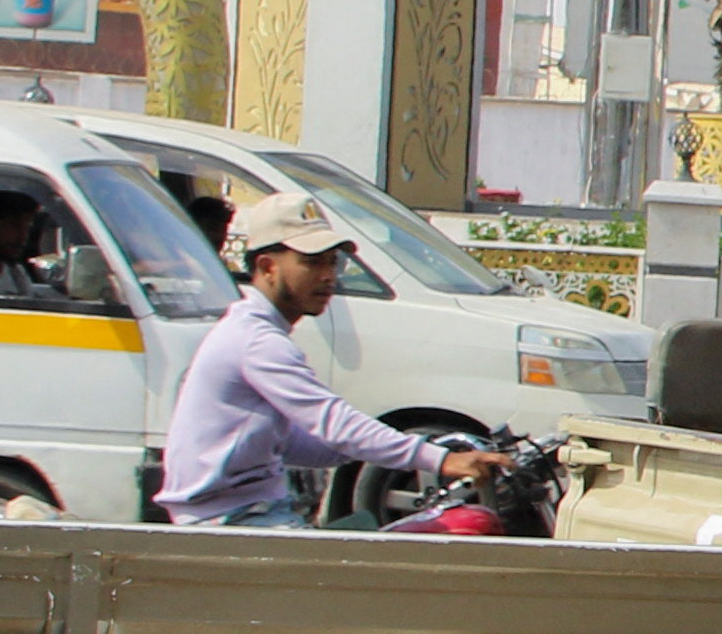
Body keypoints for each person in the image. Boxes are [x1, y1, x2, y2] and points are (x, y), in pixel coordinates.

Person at [160, 191, 501, 528]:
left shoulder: (255, 331)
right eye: (312, 262)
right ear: (268, 267)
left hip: (254, 512)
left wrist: (378, 443)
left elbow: (298, 442)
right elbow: (333, 423)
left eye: (332, 261)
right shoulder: (257, 341)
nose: (328, 275)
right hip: (234, 521)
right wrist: (440, 460)